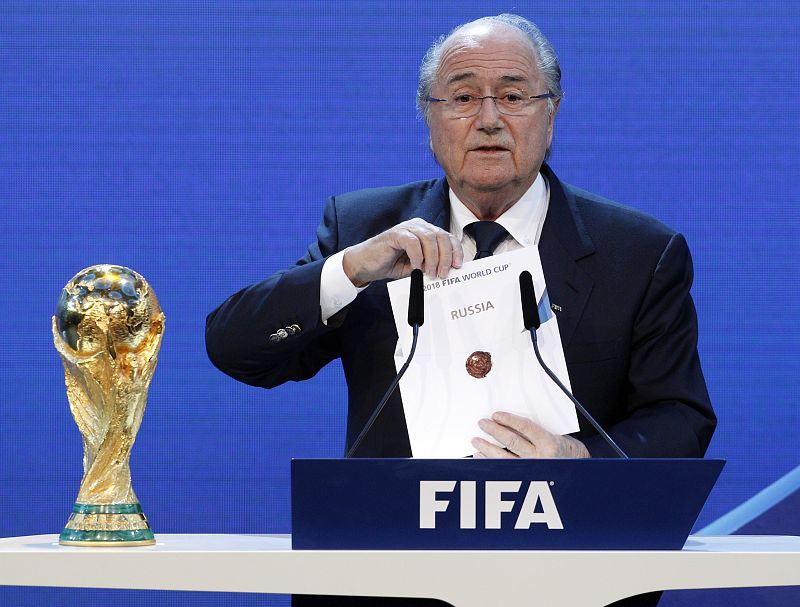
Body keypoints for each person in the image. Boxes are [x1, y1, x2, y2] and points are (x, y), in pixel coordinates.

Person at [206, 14, 716, 606]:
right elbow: (235, 349)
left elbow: (680, 418)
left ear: (551, 114)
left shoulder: (639, 251)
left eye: (514, 96)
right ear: (430, 118)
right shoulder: (364, 228)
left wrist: (581, 460)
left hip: (564, 577)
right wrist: (350, 270)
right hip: (391, 579)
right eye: (464, 97)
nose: (489, 118)